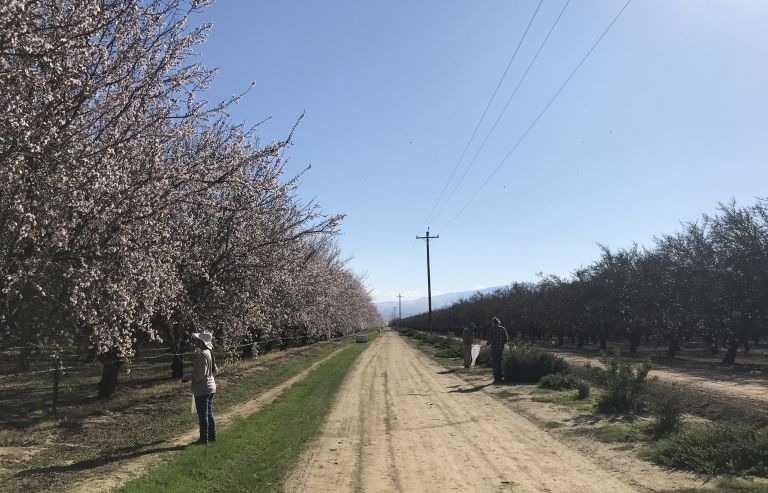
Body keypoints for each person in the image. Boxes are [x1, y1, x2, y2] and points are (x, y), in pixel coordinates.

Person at [191, 330, 217, 444]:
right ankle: (212, 437)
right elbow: (215, 370)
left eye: (197, 340)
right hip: (211, 386)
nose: (195, 342)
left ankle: (203, 440)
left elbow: (199, 375)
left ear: (202, 342)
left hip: (203, 388)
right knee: (209, 413)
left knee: (203, 415)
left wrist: (188, 376)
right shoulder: (210, 352)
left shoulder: (202, 354)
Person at [486, 317, 509, 384]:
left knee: (495, 363)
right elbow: (506, 339)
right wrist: (502, 343)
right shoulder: (503, 329)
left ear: (493, 323)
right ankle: (500, 377)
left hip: (494, 348)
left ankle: (496, 378)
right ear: (499, 322)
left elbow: (489, 340)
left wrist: (488, 342)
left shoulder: (491, 329)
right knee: (499, 362)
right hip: (500, 348)